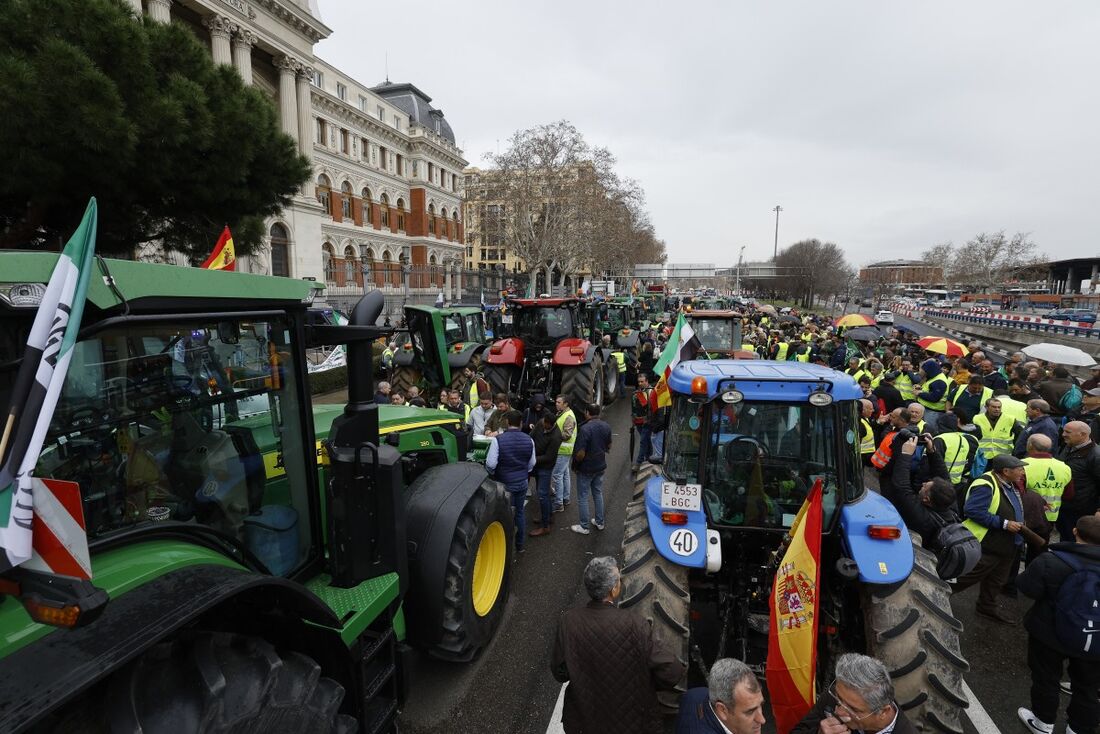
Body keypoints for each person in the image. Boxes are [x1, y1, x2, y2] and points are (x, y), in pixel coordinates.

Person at [551, 557, 685, 734]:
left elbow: (560, 673)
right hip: (633, 724)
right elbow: (672, 671)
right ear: (613, 590)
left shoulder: (569, 621)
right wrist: (646, 683)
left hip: (584, 722)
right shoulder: (635, 624)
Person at [1016, 515, 1100, 734]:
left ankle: (1043, 723)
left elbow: (1027, 587)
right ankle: (1079, 729)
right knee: (1089, 687)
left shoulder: (1052, 560)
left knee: (1046, 677)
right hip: (1094, 637)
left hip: (1050, 633)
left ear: (1075, 532)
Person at [955, 454, 1027, 624]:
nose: (1023, 472)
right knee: (965, 578)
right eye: (1019, 469)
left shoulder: (1009, 483)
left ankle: (986, 607)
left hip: (1006, 545)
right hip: (988, 545)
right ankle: (936, 597)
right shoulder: (985, 484)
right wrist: (1004, 523)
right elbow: (973, 511)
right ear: (1006, 471)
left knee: (996, 581)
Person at [791, 653, 914, 734]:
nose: (838, 712)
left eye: (852, 709)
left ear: (883, 712)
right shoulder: (837, 695)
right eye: (839, 700)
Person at [889, 435, 958, 549]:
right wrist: (932, 451)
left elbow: (901, 487)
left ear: (926, 499)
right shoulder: (950, 505)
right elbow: (943, 476)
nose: (923, 484)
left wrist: (906, 454)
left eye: (925, 487)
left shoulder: (922, 518)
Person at [485, 410, 535, 553]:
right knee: (519, 513)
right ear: (521, 423)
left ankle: (504, 549)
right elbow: (532, 464)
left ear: (507, 422)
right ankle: (520, 545)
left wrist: (494, 474)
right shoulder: (529, 440)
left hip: (504, 483)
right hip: (522, 482)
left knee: (504, 517)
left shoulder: (498, 440)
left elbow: (491, 464)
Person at [676, 658, 765, 734]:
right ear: (722, 710)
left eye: (761, 705)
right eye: (750, 712)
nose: (762, 720)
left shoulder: (696, 694)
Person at [571, 403, 613, 535]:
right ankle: (600, 522)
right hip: (600, 465)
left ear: (587, 413)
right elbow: (609, 445)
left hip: (586, 468)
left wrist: (576, 465)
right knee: (597, 493)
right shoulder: (606, 426)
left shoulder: (585, 429)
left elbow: (580, 453)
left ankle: (584, 526)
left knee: (583, 497)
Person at [1056, 420, 1100, 542]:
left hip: (1082, 510)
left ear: (1083, 434)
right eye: (1064, 431)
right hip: (1065, 507)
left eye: (1068, 432)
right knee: (1065, 538)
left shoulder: (1096, 455)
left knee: (1075, 541)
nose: (1063, 434)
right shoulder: (1068, 446)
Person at [529, 412, 562, 537]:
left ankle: (545, 526)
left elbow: (549, 457)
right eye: (544, 424)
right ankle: (548, 515)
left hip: (545, 467)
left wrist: (532, 459)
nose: (544, 427)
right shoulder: (541, 423)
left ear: (552, 424)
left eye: (547, 426)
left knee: (542, 494)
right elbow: (531, 437)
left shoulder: (556, 436)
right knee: (543, 491)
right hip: (537, 464)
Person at [552, 395, 577, 512]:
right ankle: (565, 498)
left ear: (566, 404)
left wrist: (552, 435)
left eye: (559, 402)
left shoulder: (568, 417)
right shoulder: (563, 414)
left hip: (563, 450)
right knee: (565, 475)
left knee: (557, 475)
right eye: (556, 402)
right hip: (564, 450)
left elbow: (567, 435)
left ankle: (558, 503)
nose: (556, 404)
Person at [916, 359, 951, 424]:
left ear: (929, 370)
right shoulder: (934, 377)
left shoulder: (939, 381)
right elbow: (930, 390)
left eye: (923, 370)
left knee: (928, 428)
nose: (921, 372)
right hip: (928, 410)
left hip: (932, 412)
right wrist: (921, 389)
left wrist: (919, 393)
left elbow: (934, 398)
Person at [632, 373, 655, 471]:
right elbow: (634, 407)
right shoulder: (636, 393)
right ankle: (649, 457)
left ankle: (639, 462)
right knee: (646, 440)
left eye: (642, 381)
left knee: (643, 440)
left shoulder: (652, 392)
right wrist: (633, 420)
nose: (640, 383)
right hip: (638, 421)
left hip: (648, 422)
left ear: (647, 381)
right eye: (639, 382)